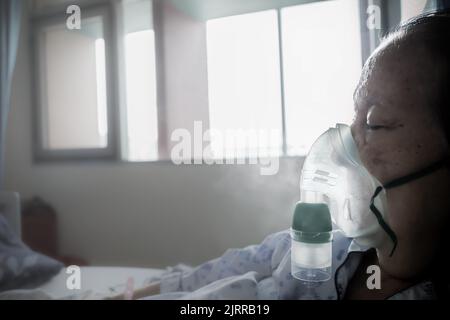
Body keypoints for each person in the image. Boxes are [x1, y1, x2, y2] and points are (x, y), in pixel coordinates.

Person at [113, 10, 450, 300]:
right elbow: (218, 271)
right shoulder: (325, 246)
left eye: (375, 124)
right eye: (353, 124)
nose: (349, 146)